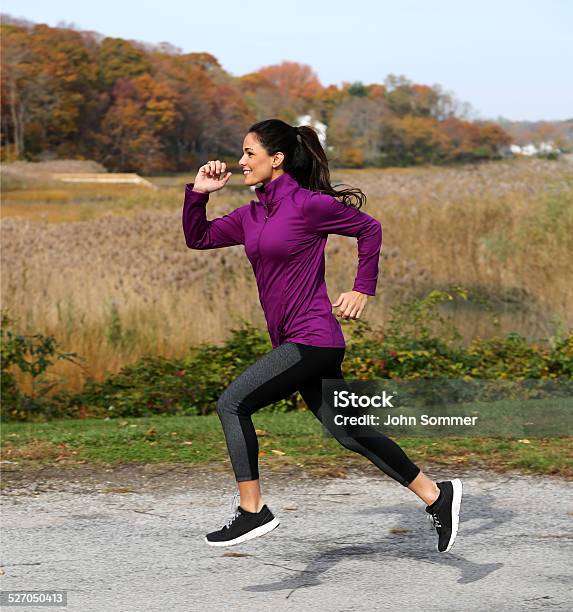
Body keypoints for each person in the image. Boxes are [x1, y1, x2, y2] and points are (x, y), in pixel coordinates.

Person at [182, 118, 463, 552]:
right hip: (301, 342)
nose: (240, 162)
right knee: (350, 432)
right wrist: (198, 194)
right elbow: (197, 238)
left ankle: (253, 510)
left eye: (249, 154)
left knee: (233, 403)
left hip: (311, 337)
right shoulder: (251, 215)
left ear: (276, 160)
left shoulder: (308, 205)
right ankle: (436, 495)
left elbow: (369, 228)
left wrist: (362, 288)